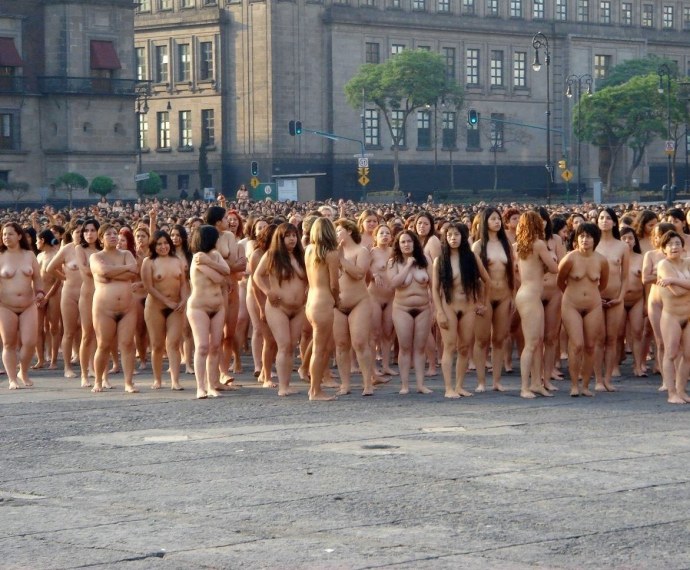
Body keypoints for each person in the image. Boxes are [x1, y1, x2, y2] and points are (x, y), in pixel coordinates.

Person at [432, 222, 487, 399]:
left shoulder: (472, 258)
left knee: (464, 347)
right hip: (449, 306)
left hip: (468, 306)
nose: (453, 238)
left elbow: (486, 280)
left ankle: (459, 386)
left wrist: (482, 302)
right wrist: (439, 311)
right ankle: (448, 388)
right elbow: (435, 289)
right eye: (449, 235)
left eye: (456, 235)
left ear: (463, 237)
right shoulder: (440, 261)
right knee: (449, 347)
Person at [254, 223, 307, 396]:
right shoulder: (272, 255)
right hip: (278, 307)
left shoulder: (301, 255)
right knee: (283, 345)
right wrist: (267, 291)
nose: (292, 239)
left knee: (291, 346)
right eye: (288, 236)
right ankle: (283, 387)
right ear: (280, 238)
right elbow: (257, 275)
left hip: (298, 308)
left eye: (294, 235)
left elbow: (309, 277)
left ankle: (287, 383)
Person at [557, 222, 609, 397]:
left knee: (590, 345)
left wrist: (591, 295)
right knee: (577, 344)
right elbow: (560, 281)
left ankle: (585, 385)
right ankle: (574, 385)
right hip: (571, 304)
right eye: (582, 236)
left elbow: (603, 284)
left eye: (589, 236)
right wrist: (572, 295)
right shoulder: (570, 258)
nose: (585, 239)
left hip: (593, 305)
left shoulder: (602, 260)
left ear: (595, 240)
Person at [90, 224, 140, 393]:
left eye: (114, 233)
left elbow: (134, 271)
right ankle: (98, 380)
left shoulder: (126, 254)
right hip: (104, 308)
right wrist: (124, 270)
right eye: (108, 234)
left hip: (127, 307)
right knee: (103, 344)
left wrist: (112, 274)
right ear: (101, 238)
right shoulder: (96, 256)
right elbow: (103, 271)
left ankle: (128, 382)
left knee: (127, 344)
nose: (113, 236)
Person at [514, 211, 558, 398]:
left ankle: (536, 383)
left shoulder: (519, 245)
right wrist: (552, 260)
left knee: (537, 342)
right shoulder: (539, 244)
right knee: (531, 344)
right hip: (531, 296)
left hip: (526, 294)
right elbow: (554, 268)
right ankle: (525, 387)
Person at [472, 207, 515, 392]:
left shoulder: (506, 245)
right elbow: (473, 277)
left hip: (504, 295)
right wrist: (477, 300)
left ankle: (497, 381)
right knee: (481, 340)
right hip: (484, 297)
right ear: (485, 222)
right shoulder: (478, 246)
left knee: (500, 338)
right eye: (492, 219)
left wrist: (513, 296)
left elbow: (511, 272)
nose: (497, 222)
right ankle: (481, 381)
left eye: (498, 219)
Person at [332, 218, 375, 396]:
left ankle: (368, 383)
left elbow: (359, 274)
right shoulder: (331, 252)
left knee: (359, 342)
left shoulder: (361, 251)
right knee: (341, 344)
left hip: (359, 302)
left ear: (349, 231)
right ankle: (345, 384)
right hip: (338, 304)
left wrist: (342, 259)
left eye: (339, 230)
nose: (336, 234)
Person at [141, 230, 189, 391]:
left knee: (174, 343)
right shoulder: (149, 262)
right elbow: (148, 287)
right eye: (159, 244)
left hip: (176, 307)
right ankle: (158, 379)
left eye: (165, 243)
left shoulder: (177, 260)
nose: (163, 247)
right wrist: (166, 301)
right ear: (153, 246)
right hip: (155, 307)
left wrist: (184, 299)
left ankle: (175, 380)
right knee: (157, 345)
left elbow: (183, 283)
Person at [187, 224, 231, 399]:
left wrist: (210, 262)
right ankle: (201, 386)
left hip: (217, 306)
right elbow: (218, 278)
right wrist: (211, 264)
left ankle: (212, 384)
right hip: (199, 307)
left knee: (215, 346)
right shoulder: (198, 257)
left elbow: (226, 271)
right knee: (202, 346)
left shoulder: (215, 255)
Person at [388, 230, 433, 395]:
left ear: (415, 243)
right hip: (402, 308)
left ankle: (420, 384)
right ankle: (405, 385)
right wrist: (408, 265)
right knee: (405, 347)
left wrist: (436, 308)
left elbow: (433, 285)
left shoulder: (425, 260)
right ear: (398, 245)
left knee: (420, 347)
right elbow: (394, 283)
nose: (406, 244)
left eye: (409, 241)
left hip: (424, 308)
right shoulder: (393, 262)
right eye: (403, 242)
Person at [0, 223, 43, 389]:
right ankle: (12, 378)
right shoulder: (1, 255)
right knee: (9, 343)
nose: (6, 237)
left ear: (19, 236)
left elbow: (37, 277)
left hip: (28, 304)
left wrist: (40, 292)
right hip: (6, 306)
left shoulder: (29, 255)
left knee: (30, 342)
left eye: (10, 234)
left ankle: (23, 371)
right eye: (4, 234)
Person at [304, 217, 339, 401]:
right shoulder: (331, 253)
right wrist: (338, 300)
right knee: (320, 350)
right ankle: (315, 390)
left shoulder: (309, 250)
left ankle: (315, 388)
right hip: (324, 302)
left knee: (320, 347)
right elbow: (334, 284)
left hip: (311, 301)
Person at [594, 208, 629, 392]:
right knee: (598, 339)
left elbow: (625, 276)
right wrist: (594, 296)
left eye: (608, 218)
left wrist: (621, 297)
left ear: (615, 222)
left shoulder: (622, 246)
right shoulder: (592, 244)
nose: (604, 221)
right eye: (601, 217)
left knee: (612, 339)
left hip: (616, 298)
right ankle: (598, 379)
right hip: (595, 298)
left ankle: (608, 378)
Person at [46, 219, 84, 379]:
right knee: (69, 331)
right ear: (71, 233)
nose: (81, 235)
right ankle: (67, 367)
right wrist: (64, 277)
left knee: (88, 331)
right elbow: (50, 268)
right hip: (70, 293)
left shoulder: (92, 249)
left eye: (83, 232)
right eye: (78, 232)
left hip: (88, 294)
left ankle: (88, 365)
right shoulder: (67, 249)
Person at [656, 230, 690, 404]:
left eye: (677, 243)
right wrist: (679, 284)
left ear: (683, 247)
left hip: (688, 315)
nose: (674, 247)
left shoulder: (688, 262)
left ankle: (681, 390)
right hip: (672, 316)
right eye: (669, 244)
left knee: (688, 355)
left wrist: (673, 280)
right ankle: (671, 393)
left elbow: (675, 285)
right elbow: (676, 292)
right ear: (663, 249)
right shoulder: (663, 264)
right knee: (671, 353)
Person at [76, 219, 101, 388]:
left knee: (102, 337)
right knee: (87, 335)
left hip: (103, 296)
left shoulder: (103, 250)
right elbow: (85, 270)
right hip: (87, 296)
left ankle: (100, 374)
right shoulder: (80, 249)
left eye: (92, 230)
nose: (89, 234)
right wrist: (105, 270)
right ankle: (84, 374)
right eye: (86, 231)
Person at [368, 224, 396, 377]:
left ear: (391, 237)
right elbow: (363, 270)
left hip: (391, 297)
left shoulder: (394, 252)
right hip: (375, 297)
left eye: (387, 233)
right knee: (374, 334)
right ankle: (372, 367)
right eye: (381, 233)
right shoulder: (371, 252)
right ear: (376, 236)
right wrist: (374, 274)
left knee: (388, 333)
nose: (385, 236)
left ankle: (385, 366)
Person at [620, 227, 645, 378]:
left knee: (637, 332)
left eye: (630, 238)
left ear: (635, 241)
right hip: (619, 299)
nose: (627, 241)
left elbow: (646, 284)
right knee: (617, 334)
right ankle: (615, 364)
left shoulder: (641, 258)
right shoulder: (615, 258)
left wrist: (647, 302)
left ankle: (638, 365)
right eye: (623, 238)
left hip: (637, 299)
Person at [34, 229, 61, 370]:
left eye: (37, 240)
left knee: (53, 327)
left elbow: (58, 280)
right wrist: (36, 294)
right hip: (39, 294)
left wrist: (47, 296)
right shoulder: (39, 256)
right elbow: (35, 278)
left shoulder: (56, 255)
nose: (35, 243)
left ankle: (54, 360)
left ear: (43, 240)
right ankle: (40, 359)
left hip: (53, 294)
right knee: (37, 328)